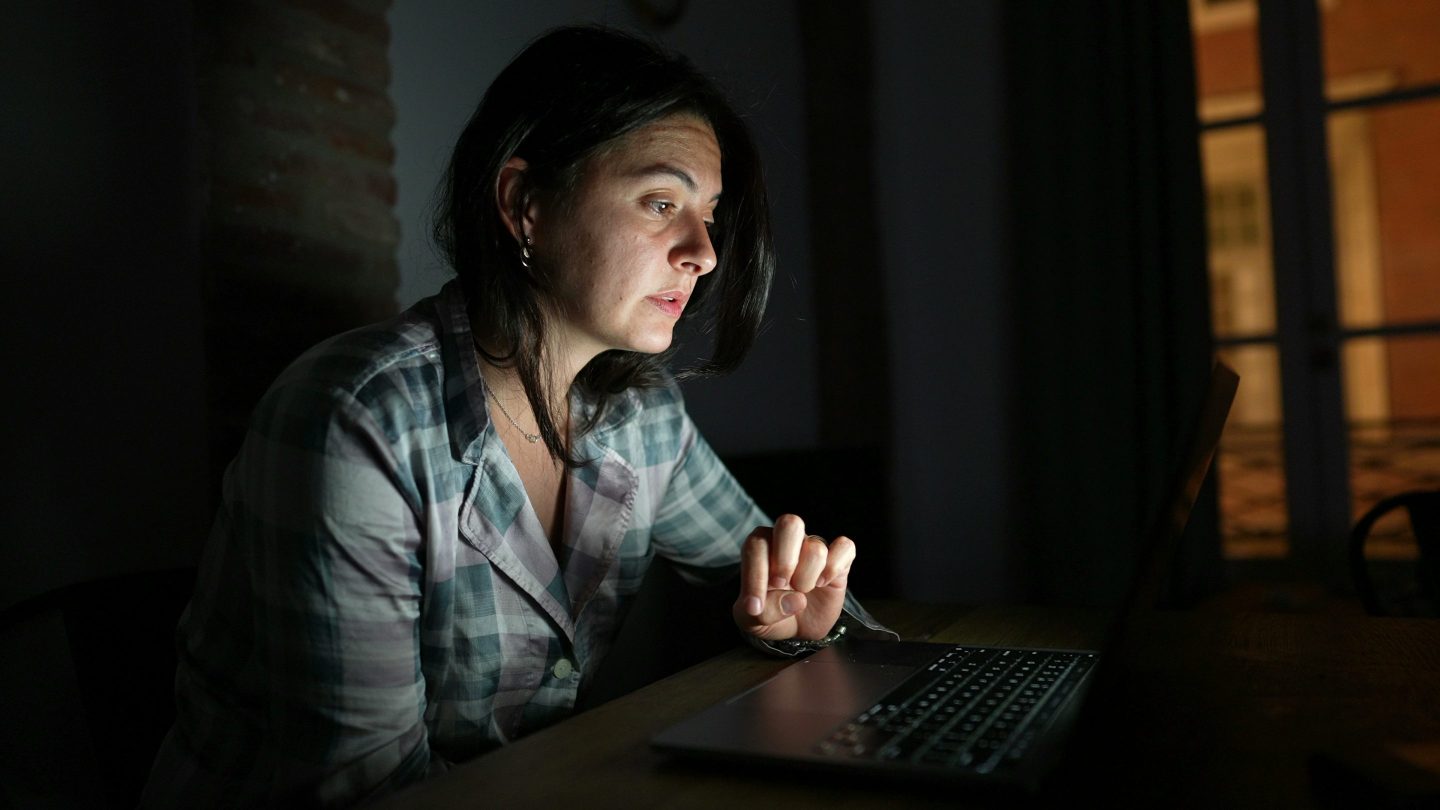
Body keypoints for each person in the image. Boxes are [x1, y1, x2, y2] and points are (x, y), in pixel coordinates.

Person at [141, 25, 894, 808]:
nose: (703, 251)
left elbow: (796, 592)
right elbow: (367, 793)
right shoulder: (360, 422)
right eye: (661, 202)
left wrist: (805, 625)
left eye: (709, 213)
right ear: (524, 205)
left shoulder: (643, 417)